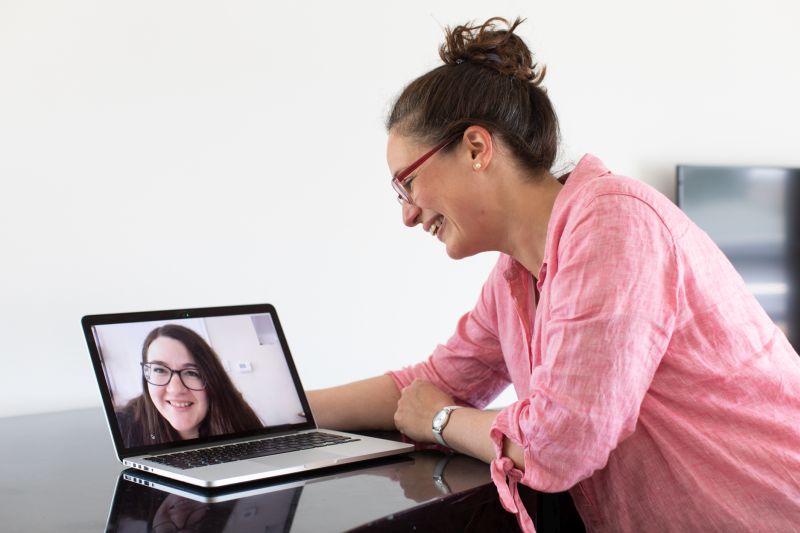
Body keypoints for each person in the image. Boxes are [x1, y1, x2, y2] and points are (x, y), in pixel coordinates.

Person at [307, 16, 800, 532]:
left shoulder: (614, 223)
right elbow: (430, 383)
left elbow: (558, 444)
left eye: (407, 185)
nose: (407, 214)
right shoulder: (514, 277)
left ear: (477, 148)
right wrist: (265, 414)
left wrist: (441, 420)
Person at [116, 324, 263, 447]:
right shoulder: (123, 427)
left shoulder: (237, 415)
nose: (175, 389)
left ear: (212, 378)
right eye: (159, 370)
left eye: (192, 373)